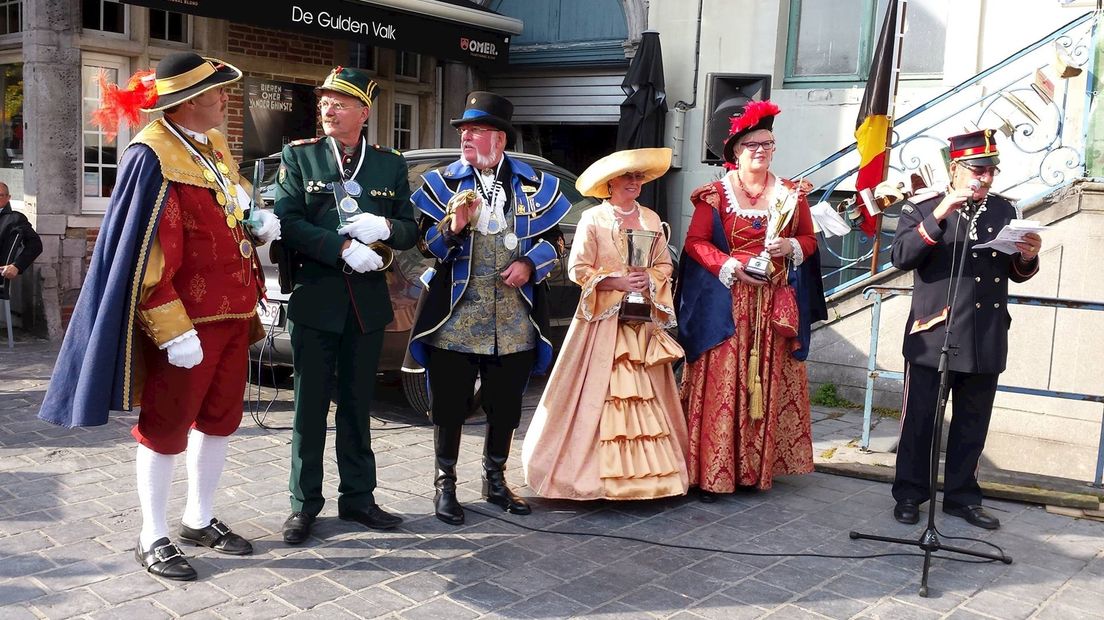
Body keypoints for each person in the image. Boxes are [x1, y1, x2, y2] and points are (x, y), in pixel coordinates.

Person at [37, 52, 281, 581]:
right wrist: (173, 331)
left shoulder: (213, 145)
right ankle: (152, 534)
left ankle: (198, 517)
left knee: (220, 421)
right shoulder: (152, 155)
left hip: (234, 313)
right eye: (217, 93)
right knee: (166, 428)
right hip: (187, 325)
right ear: (190, 101)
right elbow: (145, 255)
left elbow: (230, 210)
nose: (225, 99)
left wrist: (255, 222)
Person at [409, 91, 571, 525]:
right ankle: (445, 484)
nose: (466, 137)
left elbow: (556, 244)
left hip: (514, 320)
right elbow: (427, 247)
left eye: (476, 130)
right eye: (463, 130)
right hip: (456, 318)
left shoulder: (536, 184)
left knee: (505, 404)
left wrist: (528, 264)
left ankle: (495, 480)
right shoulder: (442, 183)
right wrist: (454, 226)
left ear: (499, 138)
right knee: (449, 404)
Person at [274, 67, 416, 544]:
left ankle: (358, 497)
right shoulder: (301, 158)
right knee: (309, 408)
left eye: (339, 102)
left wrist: (386, 232)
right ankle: (303, 504)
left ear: (363, 112)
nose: (328, 109)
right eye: (324, 101)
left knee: (358, 406)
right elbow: (288, 221)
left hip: (367, 304)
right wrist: (338, 249)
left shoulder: (388, 164)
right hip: (317, 298)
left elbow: (408, 227)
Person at [890, 129, 1041, 530]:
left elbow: (1015, 273)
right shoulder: (922, 207)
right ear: (955, 169)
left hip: (985, 333)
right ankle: (909, 493)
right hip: (933, 334)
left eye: (991, 171)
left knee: (973, 423)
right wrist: (941, 213)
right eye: (978, 170)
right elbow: (902, 257)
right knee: (921, 421)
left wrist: (1027, 257)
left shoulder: (1004, 211)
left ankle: (961, 496)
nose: (986, 178)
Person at [522, 147, 690, 500]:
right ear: (610, 182)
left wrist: (649, 281)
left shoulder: (651, 219)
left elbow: (664, 266)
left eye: (639, 177)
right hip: (602, 324)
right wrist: (616, 281)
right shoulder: (593, 219)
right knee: (598, 394)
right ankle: (590, 477)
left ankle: (648, 480)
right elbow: (577, 269)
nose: (635, 182)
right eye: (628, 176)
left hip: (641, 322)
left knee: (647, 393)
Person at [677, 100, 822, 500]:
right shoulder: (716, 194)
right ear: (736, 151)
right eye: (752, 144)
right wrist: (729, 266)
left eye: (768, 144)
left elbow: (809, 241)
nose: (760, 150)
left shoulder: (792, 193)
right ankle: (713, 472)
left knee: (765, 382)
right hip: (726, 304)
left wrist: (791, 244)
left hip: (770, 305)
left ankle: (753, 470)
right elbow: (695, 243)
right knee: (723, 385)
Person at [0, 182, 43, 294]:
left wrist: (17, 265)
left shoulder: (15, 219)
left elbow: (35, 245)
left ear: (8, 197)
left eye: (0, 195)